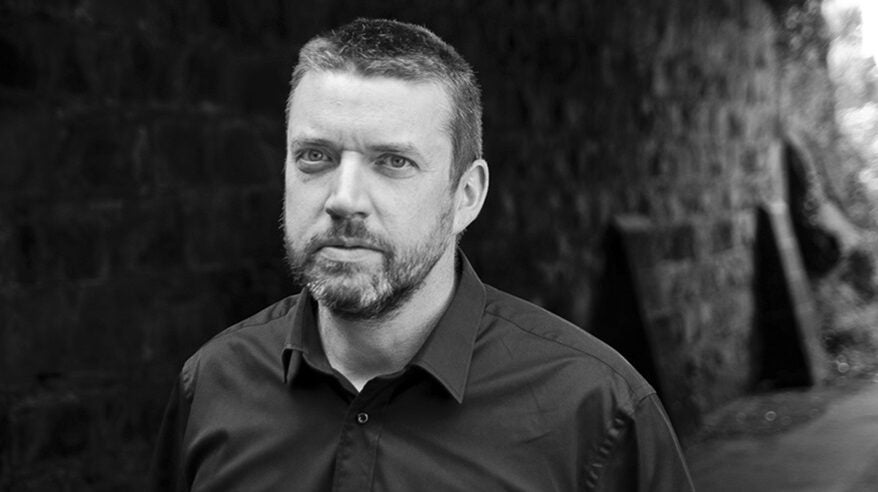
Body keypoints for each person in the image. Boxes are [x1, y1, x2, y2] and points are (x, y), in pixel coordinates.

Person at [149, 18, 694, 491]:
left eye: (393, 162)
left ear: (466, 197)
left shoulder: (597, 413)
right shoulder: (213, 385)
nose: (344, 199)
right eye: (315, 156)